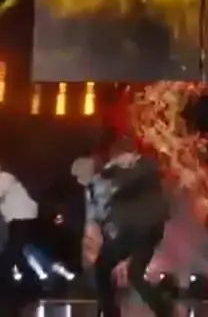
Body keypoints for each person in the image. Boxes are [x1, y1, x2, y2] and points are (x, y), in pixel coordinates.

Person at [83, 136, 171, 317]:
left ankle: (112, 312)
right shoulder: (144, 171)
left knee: (105, 267)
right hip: (148, 231)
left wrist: (109, 173)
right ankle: (164, 310)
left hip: (138, 230)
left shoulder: (142, 171)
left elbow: (126, 184)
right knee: (133, 273)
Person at [0, 165, 39, 281]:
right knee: (18, 250)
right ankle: (30, 279)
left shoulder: (4, 177)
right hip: (17, 218)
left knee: (13, 250)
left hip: (22, 217)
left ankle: (27, 279)